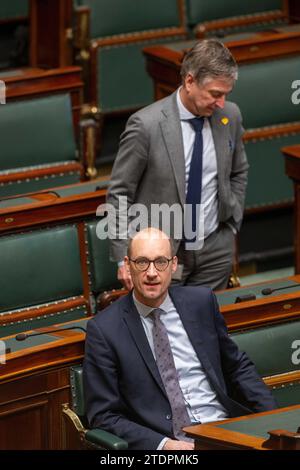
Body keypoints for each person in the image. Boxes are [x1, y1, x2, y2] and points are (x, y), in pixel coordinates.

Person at [83, 228, 277, 451]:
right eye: (142, 262)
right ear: (128, 265)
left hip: (226, 432)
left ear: (173, 264)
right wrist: (165, 446)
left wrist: (272, 419)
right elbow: (104, 415)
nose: (152, 272)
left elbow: (237, 367)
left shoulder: (201, 302)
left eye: (161, 262)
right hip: (170, 443)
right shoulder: (105, 330)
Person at [107, 38, 249, 292]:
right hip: (160, 258)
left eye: (226, 94)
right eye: (215, 94)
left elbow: (239, 171)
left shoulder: (230, 115)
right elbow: (119, 193)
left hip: (214, 250)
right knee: (164, 328)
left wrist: (231, 224)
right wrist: (123, 257)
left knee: (206, 328)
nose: (220, 103)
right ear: (190, 81)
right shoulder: (146, 126)